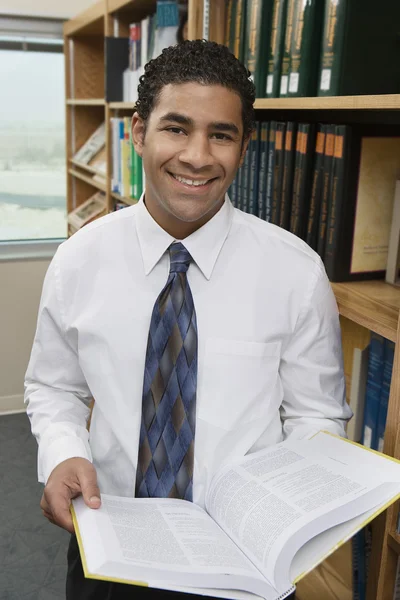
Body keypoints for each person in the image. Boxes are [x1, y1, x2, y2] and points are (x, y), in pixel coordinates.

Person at [24, 39, 352, 600]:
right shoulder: (79, 260)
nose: (198, 156)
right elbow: (54, 387)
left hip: (246, 560)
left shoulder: (296, 272)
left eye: (220, 134)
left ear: (244, 147)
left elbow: (317, 415)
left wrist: (291, 506)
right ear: (138, 132)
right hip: (112, 545)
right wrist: (63, 454)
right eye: (176, 128)